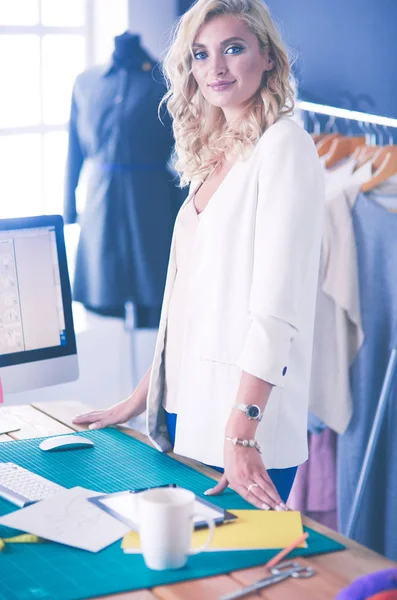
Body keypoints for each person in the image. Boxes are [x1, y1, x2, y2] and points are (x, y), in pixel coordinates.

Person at [73, 0, 324, 511]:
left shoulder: (286, 148)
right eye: (201, 55)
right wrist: (141, 396)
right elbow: (190, 305)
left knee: (240, 582)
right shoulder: (218, 153)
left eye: (234, 48)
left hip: (245, 424)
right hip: (191, 410)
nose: (217, 68)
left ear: (269, 57)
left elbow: (278, 310)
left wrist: (243, 431)